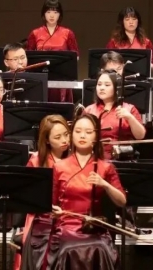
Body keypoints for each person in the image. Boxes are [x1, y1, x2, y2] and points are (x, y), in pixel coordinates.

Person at [46, 113, 126, 270]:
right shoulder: (59, 167)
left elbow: (122, 201)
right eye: (78, 131)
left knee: (101, 248)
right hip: (66, 226)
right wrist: (54, 211)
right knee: (68, 248)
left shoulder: (105, 167)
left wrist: (105, 184)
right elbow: (51, 204)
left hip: (93, 227)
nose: (82, 136)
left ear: (96, 137)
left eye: (88, 132)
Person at [15, 115, 70, 270]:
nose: (64, 140)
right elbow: (25, 194)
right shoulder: (36, 161)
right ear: (46, 140)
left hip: (70, 219)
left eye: (66, 134)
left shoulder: (75, 159)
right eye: (58, 137)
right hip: (44, 220)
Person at [27, 0, 79, 102]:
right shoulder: (35, 33)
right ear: (44, 14)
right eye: (48, 12)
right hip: (41, 77)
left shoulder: (68, 33)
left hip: (62, 78)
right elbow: (28, 57)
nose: (52, 15)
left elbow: (76, 56)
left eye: (55, 12)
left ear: (60, 14)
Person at [85, 70, 145, 160]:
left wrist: (130, 117)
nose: (101, 88)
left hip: (121, 158)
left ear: (117, 88)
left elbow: (140, 136)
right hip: (94, 157)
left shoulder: (129, 109)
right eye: (99, 84)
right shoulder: (89, 110)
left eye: (107, 85)